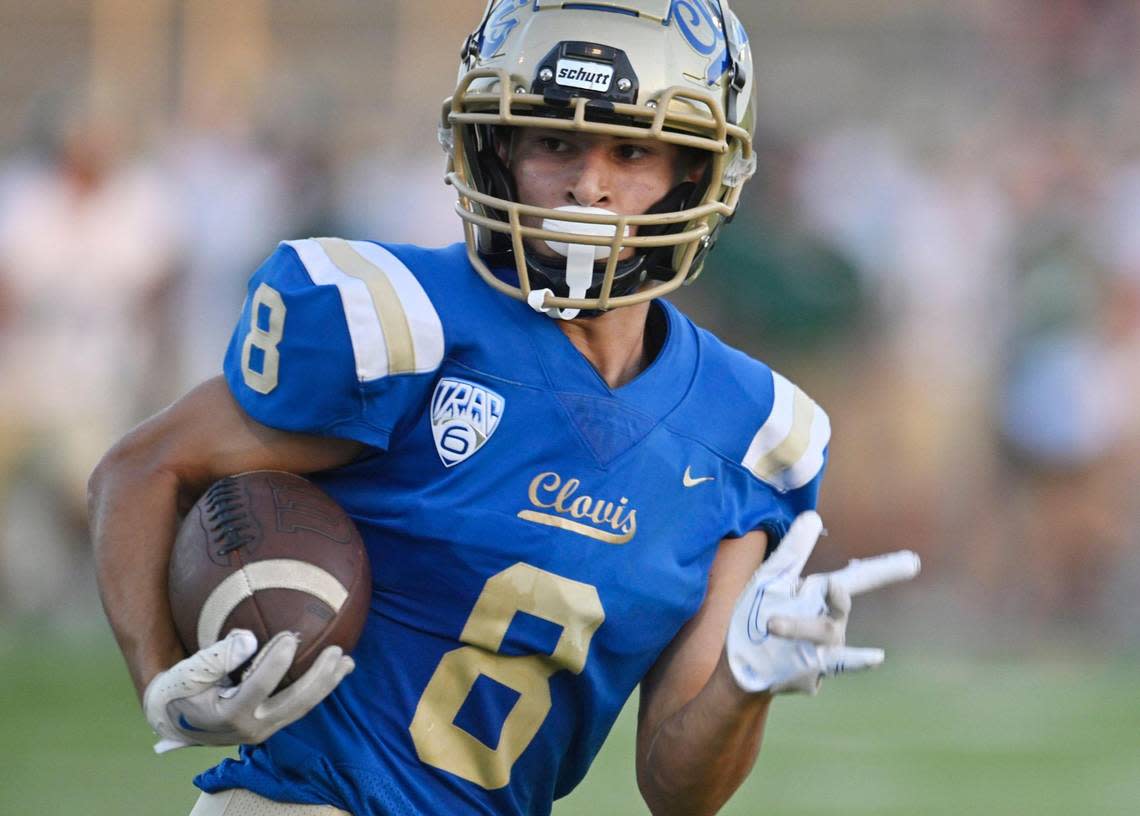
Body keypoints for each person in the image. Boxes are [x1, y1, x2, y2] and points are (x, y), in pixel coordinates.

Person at [89, 3, 920, 815]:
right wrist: (165, 684)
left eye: (632, 151)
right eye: (555, 141)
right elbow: (140, 469)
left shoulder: (749, 433)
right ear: (497, 146)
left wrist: (744, 684)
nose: (589, 186)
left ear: (691, 175)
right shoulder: (399, 325)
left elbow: (678, 790)